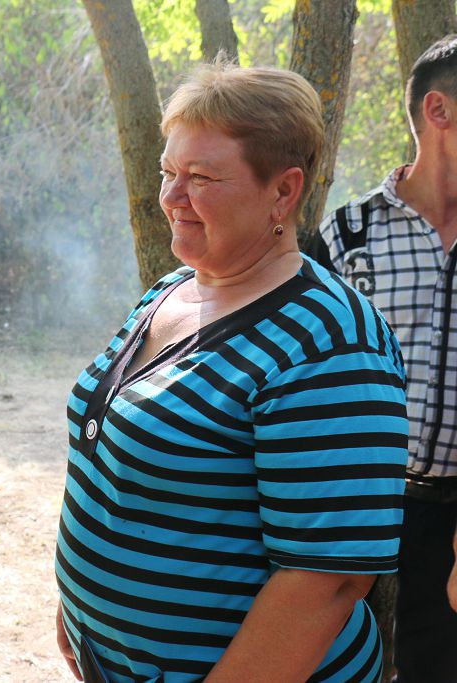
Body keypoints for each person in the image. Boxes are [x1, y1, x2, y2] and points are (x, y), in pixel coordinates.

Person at [55, 62, 408, 682]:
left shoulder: (329, 341)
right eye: (167, 172)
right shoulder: (168, 292)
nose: (170, 197)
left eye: (200, 178)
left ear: (283, 192)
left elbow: (326, 580)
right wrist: (82, 612)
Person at [309, 34, 457, 683]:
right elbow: (303, 379)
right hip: (355, 504)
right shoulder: (347, 235)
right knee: (340, 664)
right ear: (438, 110)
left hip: (452, 519)